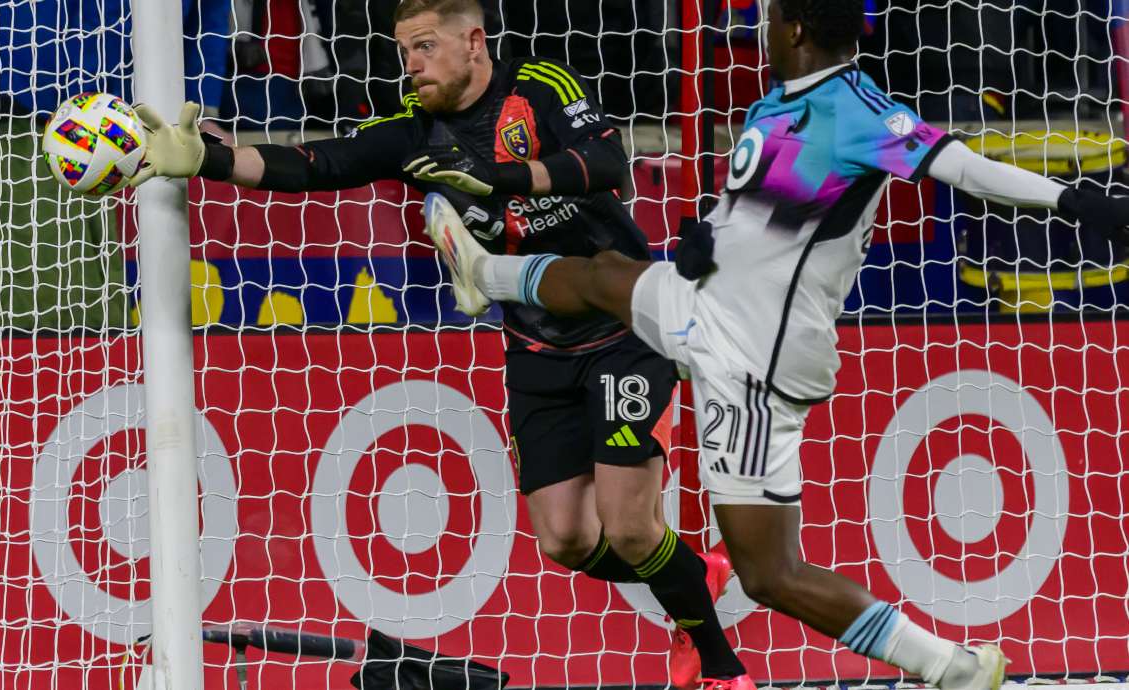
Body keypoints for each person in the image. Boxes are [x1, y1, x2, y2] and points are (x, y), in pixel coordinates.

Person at [419, 1, 1129, 689]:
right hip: (703, 305)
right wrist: (706, 242)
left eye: (765, 20)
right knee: (605, 275)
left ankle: (949, 667)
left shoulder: (860, 109)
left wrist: (1076, 202)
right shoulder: (771, 108)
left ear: (794, 28)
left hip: (754, 357)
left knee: (768, 573)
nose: (757, 33)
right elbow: (751, 215)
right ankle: (487, 275)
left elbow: (963, 167)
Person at [128, 0, 745, 686]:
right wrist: (207, 160)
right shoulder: (410, 127)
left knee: (631, 528)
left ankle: (720, 667)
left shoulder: (541, 86)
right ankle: (695, 573)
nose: (411, 65)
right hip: (534, 347)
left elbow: (605, 163)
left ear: (473, 41)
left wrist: (502, 180)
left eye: (424, 47)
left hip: (621, 330)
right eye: (403, 51)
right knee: (564, 538)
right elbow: (315, 163)